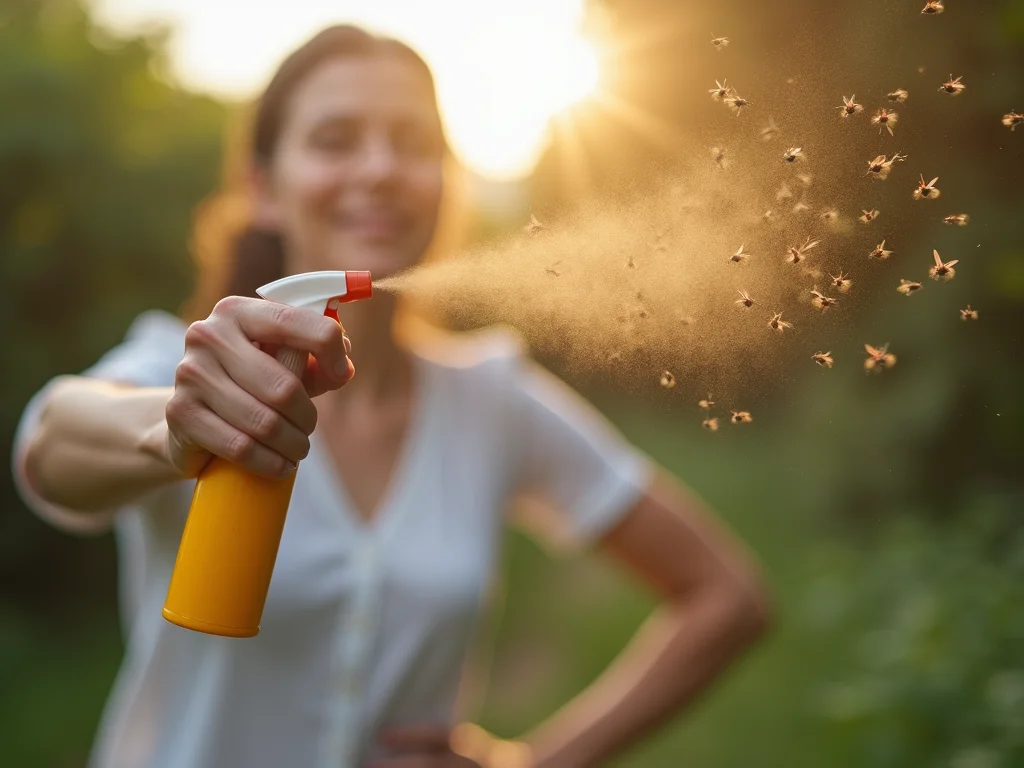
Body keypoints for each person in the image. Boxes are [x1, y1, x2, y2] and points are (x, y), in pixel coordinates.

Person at [12, 25, 771, 768]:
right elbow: (49, 443)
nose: (379, 169)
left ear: (446, 183)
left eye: (412, 143)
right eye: (336, 139)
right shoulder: (181, 367)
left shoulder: (491, 400)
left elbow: (726, 596)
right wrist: (174, 428)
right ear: (264, 188)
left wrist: (534, 763)